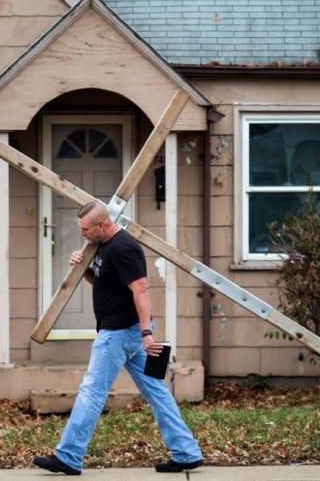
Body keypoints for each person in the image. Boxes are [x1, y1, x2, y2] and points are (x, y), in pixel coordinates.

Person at [33, 201, 203, 476]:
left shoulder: (123, 248)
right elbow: (105, 280)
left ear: (101, 225)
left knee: (91, 391)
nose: (82, 234)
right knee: (156, 391)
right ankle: (186, 452)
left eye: (85, 229)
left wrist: (147, 333)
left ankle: (68, 456)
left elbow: (142, 290)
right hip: (128, 332)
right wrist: (84, 267)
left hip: (120, 333)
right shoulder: (103, 245)